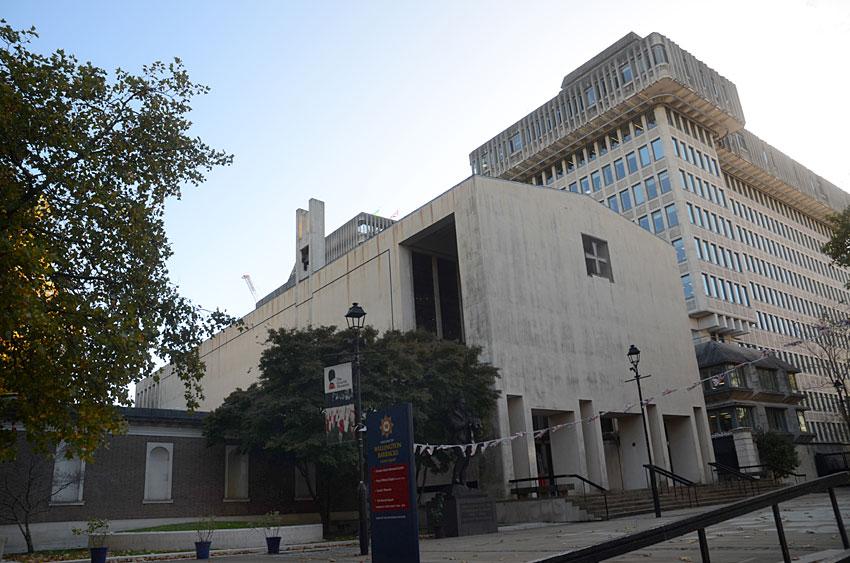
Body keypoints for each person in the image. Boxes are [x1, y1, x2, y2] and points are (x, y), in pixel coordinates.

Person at [448, 397, 481, 485]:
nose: (463, 405)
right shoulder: (452, 415)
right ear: (457, 404)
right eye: (462, 403)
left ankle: (463, 480)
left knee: (466, 460)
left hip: (467, 440)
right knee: (461, 457)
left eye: (464, 403)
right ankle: (455, 478)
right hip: (457, 440)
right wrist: (467, 422)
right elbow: (455, 426)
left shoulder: (467, 415)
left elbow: (472, 428)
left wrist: (476, 425)